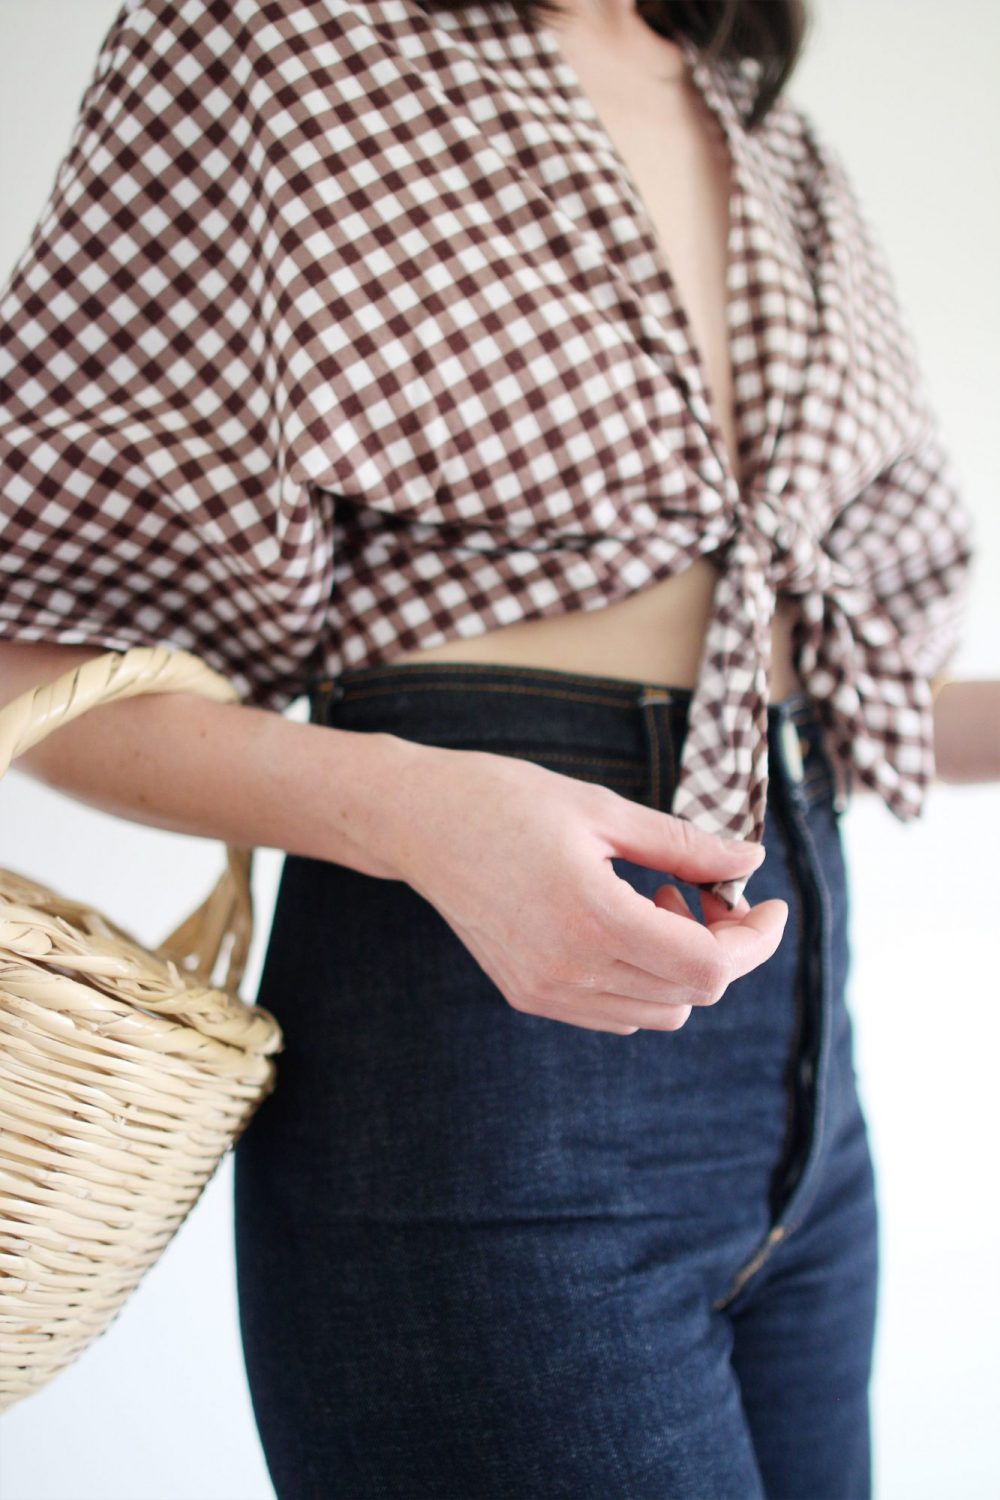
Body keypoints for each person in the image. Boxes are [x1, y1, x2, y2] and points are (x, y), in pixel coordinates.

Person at [0, 0, 995, 1495]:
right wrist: (411, 810)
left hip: (809, 1113)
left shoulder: (770, 134)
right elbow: (29, 644)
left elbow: (829, 689)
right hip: (477, 1076)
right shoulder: (274, 42)